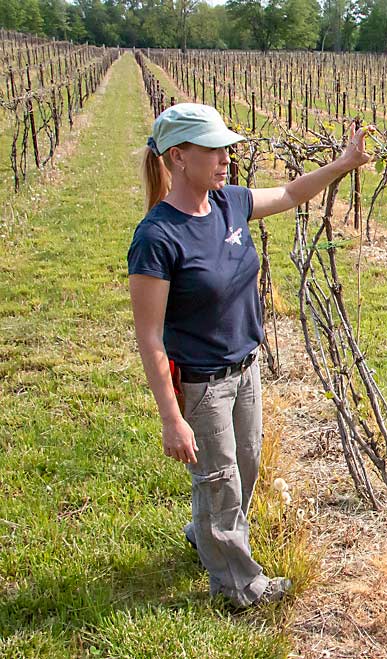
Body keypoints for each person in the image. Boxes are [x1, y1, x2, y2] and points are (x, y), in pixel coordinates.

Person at [127, 103, 370, 609]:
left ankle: (206, 533)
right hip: (202, 381)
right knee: (220, 482)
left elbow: (288, 193)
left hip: (246, 367)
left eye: (226, 148)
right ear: (177, 157)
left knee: (245, 465)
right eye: (213, 149)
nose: (225, 158)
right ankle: (239, 586)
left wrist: (344, 163)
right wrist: (172, 419)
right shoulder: (157, 237)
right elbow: (149, 336)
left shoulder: (229, 203)